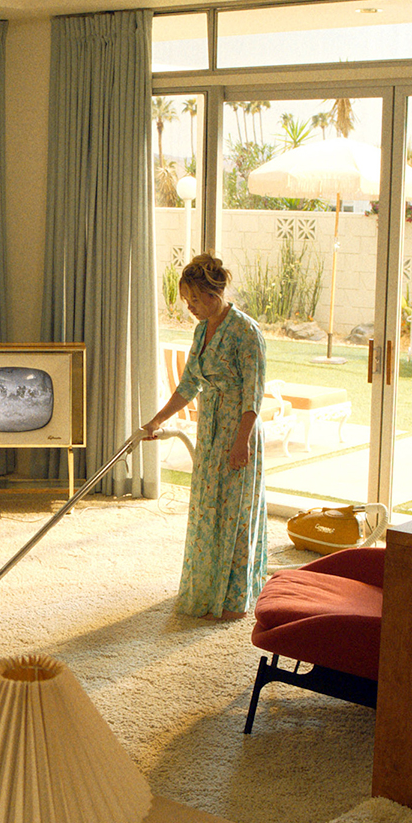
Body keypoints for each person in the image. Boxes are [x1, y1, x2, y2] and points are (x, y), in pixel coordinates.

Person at [142, 254, 268, 621]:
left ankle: (233, 598)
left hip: (237, 432)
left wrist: (241, 441)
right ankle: (205, 586)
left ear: (216, 292)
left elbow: (253, 394)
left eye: (196, 300)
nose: (191, 308)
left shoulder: (247, 332)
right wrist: (156, 420)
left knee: (234, 512)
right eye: (187, 302)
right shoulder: (201, 331)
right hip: (210, 428)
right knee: (207, 510)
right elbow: (189, 385)